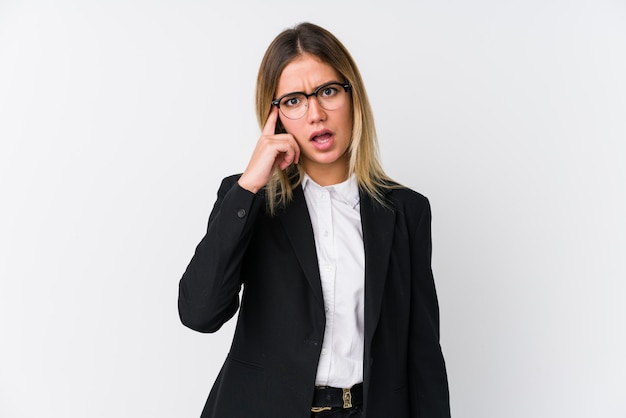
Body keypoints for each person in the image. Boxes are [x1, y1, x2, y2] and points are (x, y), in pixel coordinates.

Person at [178, 22, 450, 418]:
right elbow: (199, 313)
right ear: (274, 117)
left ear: (352, 96)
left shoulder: (406, 211)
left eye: (327, 91)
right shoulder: (251, 201)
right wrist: (250, 184)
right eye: (293, 101)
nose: (316, 114)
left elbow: (423, 352)